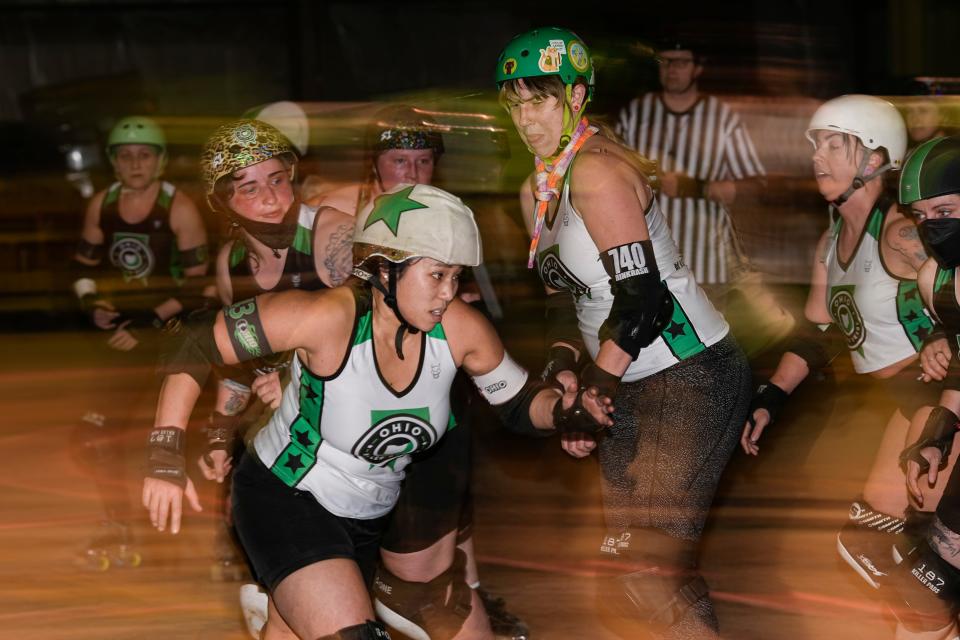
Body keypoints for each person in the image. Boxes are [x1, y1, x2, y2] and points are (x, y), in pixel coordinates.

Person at [142, 182, 613, 639]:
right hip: (286, 498)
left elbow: (520, 404)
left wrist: (566, 413)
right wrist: (165, 454)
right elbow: (194, 339)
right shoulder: (329, 319)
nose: (448, 293)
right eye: (435, 275)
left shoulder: (460, 330)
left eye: (455, 276)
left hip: (368, 516)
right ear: (385, 270)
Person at [496, 27, 751, 639]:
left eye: (541, 100)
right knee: (645, 575)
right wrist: (566, 368)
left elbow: (645, 299)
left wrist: (594, 386)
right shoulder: (540, 183)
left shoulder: (596, 172)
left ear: (577, 96)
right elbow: (566, 294)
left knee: (638, 571)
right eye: (515, 102)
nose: (526, 118)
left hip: (687, 373)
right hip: (628, 380)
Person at [310, 105, 528, 640]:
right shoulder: (337, 212)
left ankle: (463, 585)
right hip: (348, 372)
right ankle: (337, 590)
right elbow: (306, 307)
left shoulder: (445, 214)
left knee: (447, 463)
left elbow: (471, 309)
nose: (410, 174)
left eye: (423, 161)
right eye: (398, 160)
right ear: (374, 162)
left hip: (425, 367)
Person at [740, 95, 957, 592]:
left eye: (833, 144)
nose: (818, 157)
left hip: (937, 394)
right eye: (816, 145)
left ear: (874, 158)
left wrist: (944, 334)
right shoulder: (830, 242)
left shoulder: (903, 232)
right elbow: (818, 332)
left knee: (936, 563)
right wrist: (772, 395)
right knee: (870, 541)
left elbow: (955, 288)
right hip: (900, 403)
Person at [190, 118, 354, 590]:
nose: (271, 198)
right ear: (223, 204)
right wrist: (219, 434)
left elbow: (376, 337)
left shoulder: (329, 235)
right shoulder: (230, 265)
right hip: (290, 433)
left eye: (278, 180)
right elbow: (240, 369)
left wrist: (295, 377)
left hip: (356, 424)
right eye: (249, 188)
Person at [70, 115, 208, 570]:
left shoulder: (178, 207)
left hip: (169, 337)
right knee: (93, 436)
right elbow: (82, 269)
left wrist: (147, 321)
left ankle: (230, 538)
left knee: (197, 439)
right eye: (125, 155)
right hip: (124, 336)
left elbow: (198, 287)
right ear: (112, 162)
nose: (135, 162)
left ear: (161, 160)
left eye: (144, 154)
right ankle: (119, 524)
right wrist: (93, 304)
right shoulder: (101, 205)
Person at [616, 37, 793, 355]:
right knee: (658, 354)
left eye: (681, 62)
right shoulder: (635, 116)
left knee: (708, 351)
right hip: (653, 258)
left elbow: (754, 185)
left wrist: (696, 187)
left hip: (705, 262)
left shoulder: (721, 119)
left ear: (697, 69)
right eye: (665, 61)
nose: (671, 70)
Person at [895, 135, 960, 638]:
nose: (932, 225)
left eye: (946, 209)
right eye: (921, 215)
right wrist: (936, 438)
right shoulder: (934, 279)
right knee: (924, 594)